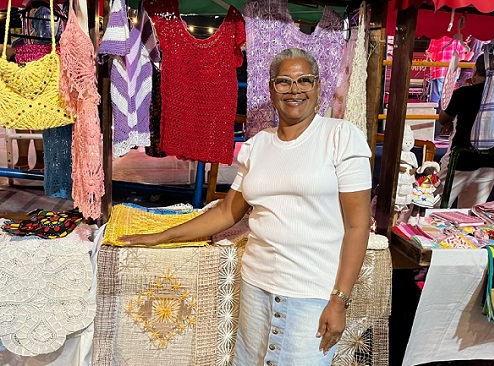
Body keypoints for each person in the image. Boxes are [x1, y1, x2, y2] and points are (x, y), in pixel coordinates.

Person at [120, 48, 372, 365]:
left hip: (311, 295)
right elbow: (227, 213)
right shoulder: (257, 145)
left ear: (318, 86)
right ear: (270, 89)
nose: (294, 90)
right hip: (256, 287)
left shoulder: (341, 138)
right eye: (284, 81)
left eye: (304, 80)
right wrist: (163, 236)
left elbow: (357, 225)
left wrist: (340, 299)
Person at [437, 53, 494, 208]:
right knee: (469, 214)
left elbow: (443, 118)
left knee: (433, 207)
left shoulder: (464, 93)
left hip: (460, 159)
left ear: (475, 71)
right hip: (490, 161)